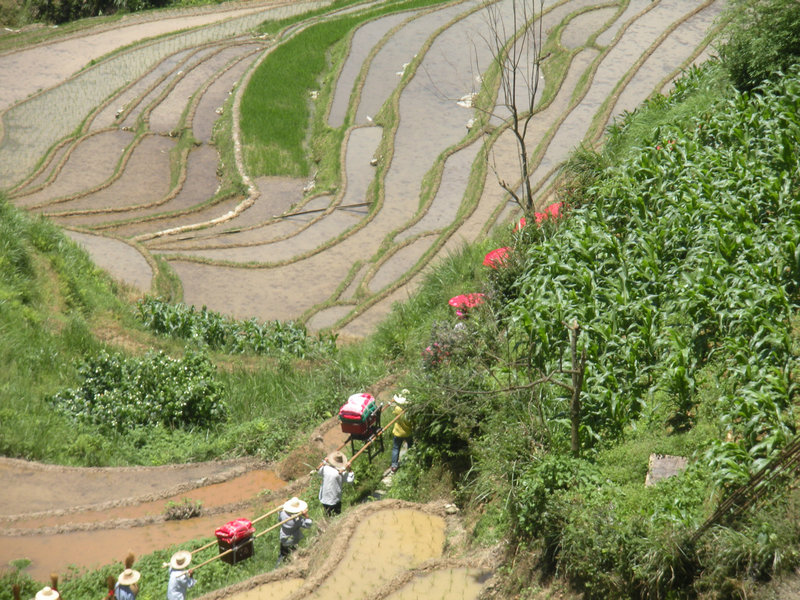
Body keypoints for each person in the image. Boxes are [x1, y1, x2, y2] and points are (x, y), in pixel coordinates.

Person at [276, 497, 312, 566]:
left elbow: (279, 517)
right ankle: (293, 565)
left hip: (283, 538)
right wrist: (306, 516)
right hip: (292, 540)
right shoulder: (297, 520)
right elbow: (308, 525)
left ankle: (277, 567)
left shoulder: (282, 514)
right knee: (293, 553)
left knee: (282, 554)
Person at [318, 451, 355, 516]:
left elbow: (319, 471)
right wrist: (349, 469)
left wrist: (324, 462)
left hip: (324, 497)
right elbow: (350, 480)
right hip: (335, 499)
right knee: (337, 515)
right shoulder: (340, 473)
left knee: (327, 514)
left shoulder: (325, 469)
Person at [391, 390, 413, 473]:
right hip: (408, 432)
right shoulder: (409, 411)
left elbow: (394, 409)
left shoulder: (397, 409)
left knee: (396, 448)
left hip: (398, 432)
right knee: (410, 446)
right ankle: (411, 461)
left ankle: (394, 466)